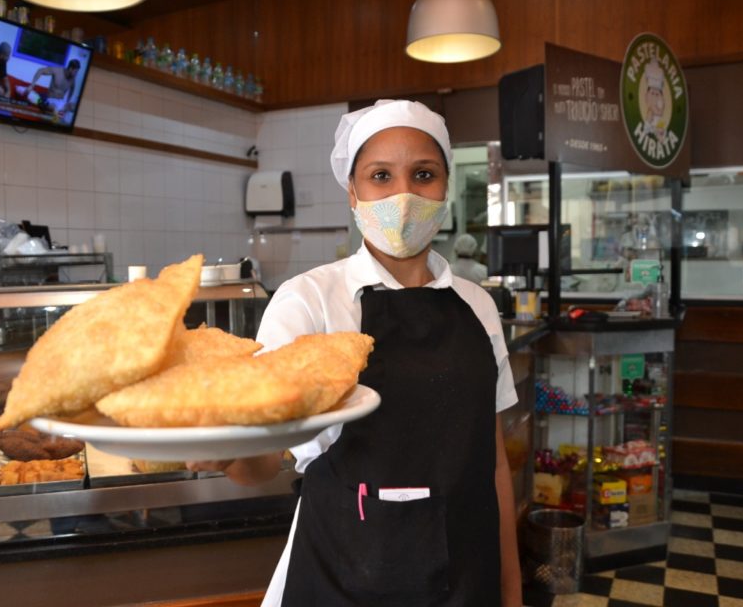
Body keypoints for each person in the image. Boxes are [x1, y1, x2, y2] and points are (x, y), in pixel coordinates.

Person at [189, 100, 522, 606]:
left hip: (466, 575)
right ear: (353, 191)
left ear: (446, 187)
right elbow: (264, 458)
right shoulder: (310, 301)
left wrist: (511, 592)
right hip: (344, 576)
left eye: (424, 174)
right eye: (381, 176)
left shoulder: (477, 306)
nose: (404, 195)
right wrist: (228, 450)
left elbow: (492, 463)